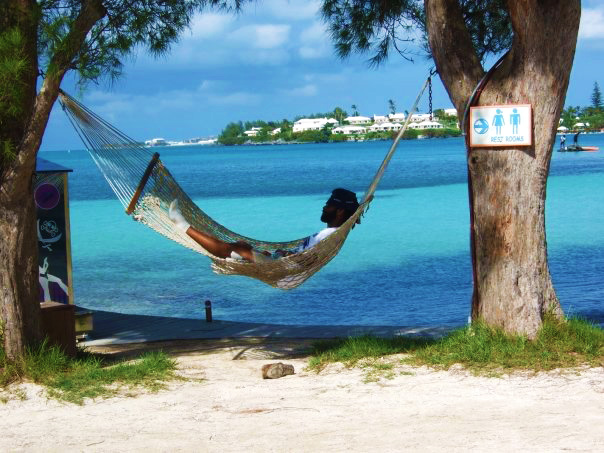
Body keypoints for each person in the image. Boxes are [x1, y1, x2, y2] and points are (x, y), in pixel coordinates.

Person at [168, 188, 360, 262]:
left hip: (285, 269)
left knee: (235, 248)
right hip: (283, 262)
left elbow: (306, 260)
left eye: (329, 204)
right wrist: (280, 253)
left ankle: (183, 226)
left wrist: (284, 256)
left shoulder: (330, 235)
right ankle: (236, 256)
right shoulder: (331, 233)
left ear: (340, 211)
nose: (324, 206)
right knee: (241, 246)